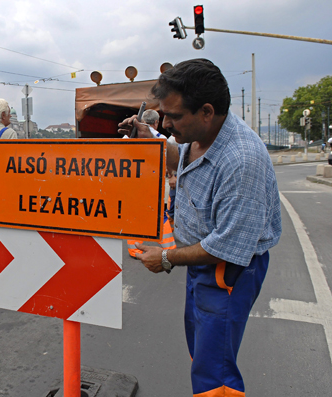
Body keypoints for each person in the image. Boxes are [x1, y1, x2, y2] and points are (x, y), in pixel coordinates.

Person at [118, 59, 282, 397]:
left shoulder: (241, 160)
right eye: (162, 115)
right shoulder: (202, 136)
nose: (165, 123)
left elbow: (227, 246)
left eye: (173, 117)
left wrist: (166, 258)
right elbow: (181, 155)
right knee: (203, 352)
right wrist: (149, 137)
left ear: (206, 111)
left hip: (227, 272)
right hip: (202, 266)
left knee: (215, 373)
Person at [126, 109, 175, 257]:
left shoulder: (127, 136)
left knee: (135, 214)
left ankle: (134, 249)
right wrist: (172, 175)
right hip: (153, 184)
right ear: (156, 123)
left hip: (132, 184)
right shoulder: (161, 138)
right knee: (160, 215)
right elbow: (169, 161)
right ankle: (169, 250)